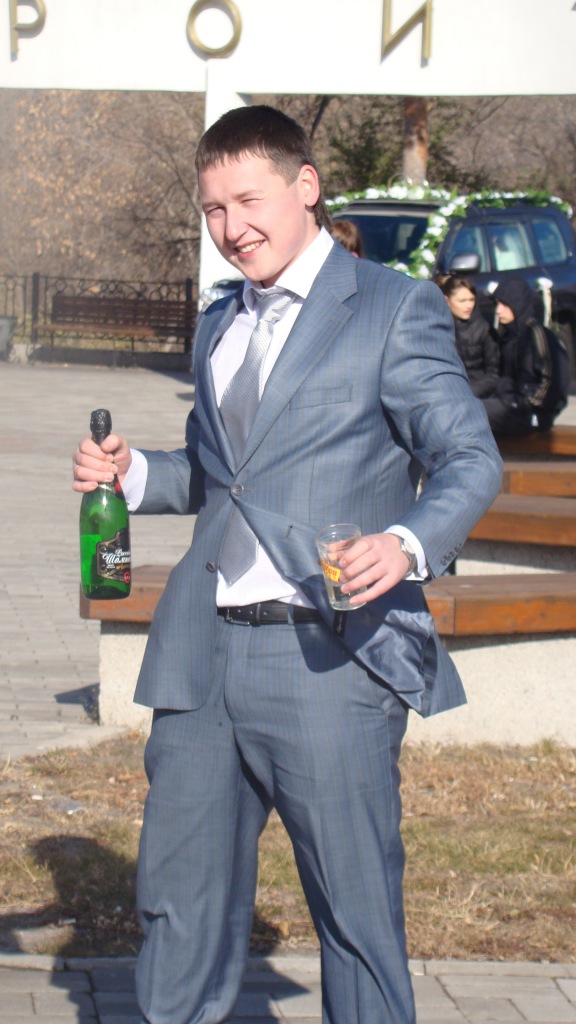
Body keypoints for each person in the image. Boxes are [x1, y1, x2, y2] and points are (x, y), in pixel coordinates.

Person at [73, 105, 502, 1024]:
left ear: (306, 186)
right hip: (201, 659)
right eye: (212, 209)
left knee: (355, 919)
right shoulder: (219, 320)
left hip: (328, 661)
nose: (231, 228)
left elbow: (470, 459)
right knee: (176, 910)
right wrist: (134, 472)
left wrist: (405, 543)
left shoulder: (391, 307)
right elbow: (220, 473)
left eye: (248, 201)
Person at [482, 277, 566, 435]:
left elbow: (552, 380)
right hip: (508, 403)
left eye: (504, 304)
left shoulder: (537, 334)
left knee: (474, 413)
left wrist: (528, 403)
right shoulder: (508, 336)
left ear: (517, 303)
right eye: (496, 304)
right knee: (470, 410)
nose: (498, 310)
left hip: (533, 412)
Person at [435, 273, 500, 398]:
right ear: (447, 300)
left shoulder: (483, 328)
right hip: (447, 393)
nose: (468, 305)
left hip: (477, 393)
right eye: (462, 301)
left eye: (471, 300)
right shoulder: (438, 329)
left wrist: (468, 393)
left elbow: (493, 374)